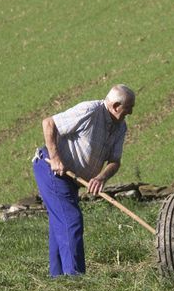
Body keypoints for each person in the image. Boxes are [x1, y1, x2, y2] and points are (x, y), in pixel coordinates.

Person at [32, 84, 135, 276]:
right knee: (71, 220)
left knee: (60, 225)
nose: (129, 114)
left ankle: (58, 279)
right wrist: (55, 158)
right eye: (127, 110)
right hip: (51, 169)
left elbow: (115, 161)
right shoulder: (89, 111)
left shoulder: (120, 128)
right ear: (115, 106)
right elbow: (48, 123)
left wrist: (101, 176)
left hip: (73, 179)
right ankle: (75, 280)